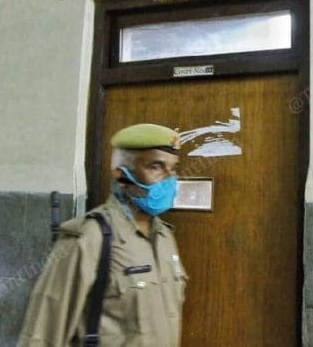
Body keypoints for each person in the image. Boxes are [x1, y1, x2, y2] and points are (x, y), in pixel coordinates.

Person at [18, 123, 189, 346]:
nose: (168, 179)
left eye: (173, 169)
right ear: (121, 173)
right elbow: (43, 333)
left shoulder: (165, 237)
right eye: (156, 167)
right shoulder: (90, 237)